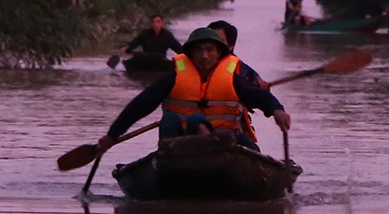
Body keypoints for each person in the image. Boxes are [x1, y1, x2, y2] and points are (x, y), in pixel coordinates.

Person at [97, 26, 289, 154]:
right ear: (190, 54)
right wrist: (113, 135)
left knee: (252, 151)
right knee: (171, 118)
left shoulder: (232, 78)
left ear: (219, 53)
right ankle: (199, 140)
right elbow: (141, 105)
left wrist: (277, 110)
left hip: (225, 142)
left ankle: (209, 138)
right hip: (179, 145)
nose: (205, 56)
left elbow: (260, 97)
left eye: (210, 50)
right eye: (198, 50)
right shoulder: (175, 78)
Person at [112, 14, 183, 68]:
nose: (155, 24)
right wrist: (124, 48)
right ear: (151, 24)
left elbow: (179, 50)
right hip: (145, 61)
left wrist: (183, 64)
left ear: (162, 23)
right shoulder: (144, 34)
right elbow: (133, 44)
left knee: (180, 63)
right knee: (132, 61)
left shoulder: (167, 35)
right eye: (153, 22)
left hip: (161, 61)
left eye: (158, 22)